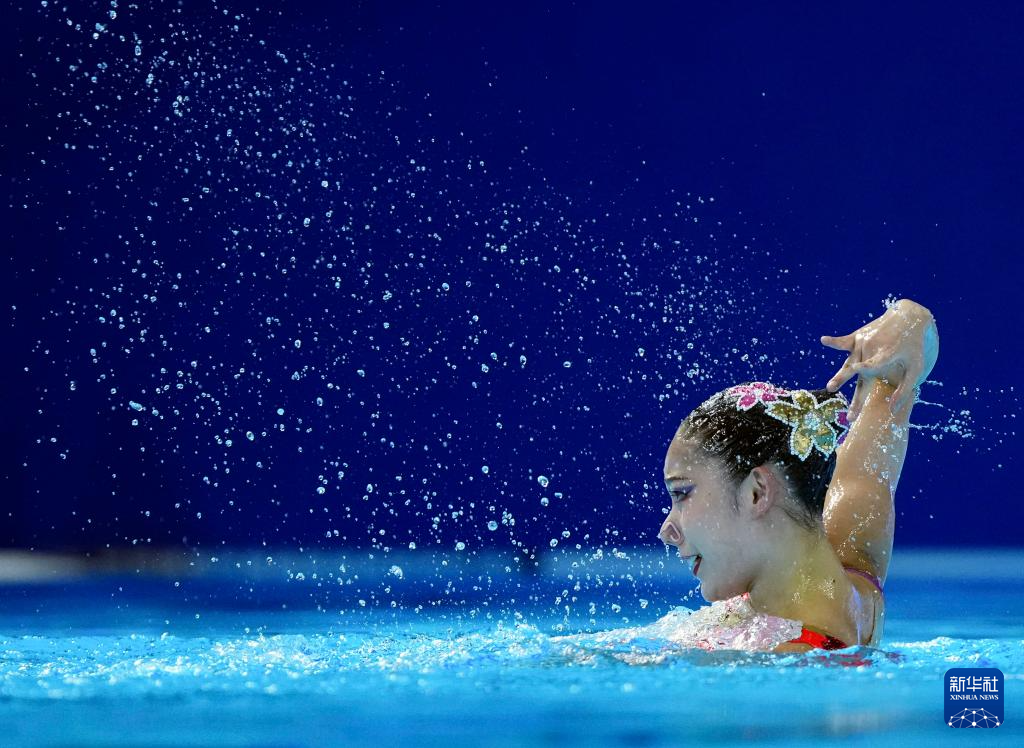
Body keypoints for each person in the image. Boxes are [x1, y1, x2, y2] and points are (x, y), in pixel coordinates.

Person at [658, 297, 939, 652]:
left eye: (682, 493)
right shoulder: (854, 555)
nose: (667, 531)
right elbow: (903, 360)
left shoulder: (780, 659)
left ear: (757, 492)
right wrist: (908, 316)